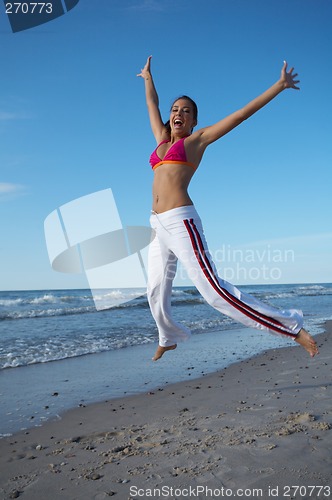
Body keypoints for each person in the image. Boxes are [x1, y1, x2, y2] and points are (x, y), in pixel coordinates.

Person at [137, 56, 318, 361]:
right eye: (175, 110)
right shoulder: (161, 141)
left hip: (182, 223)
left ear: (194, 121)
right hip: (157, 225)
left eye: (186, 111)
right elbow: (152, 105)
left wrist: (279, 85)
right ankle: (168, 336)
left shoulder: (197, 141)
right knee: (154, 291)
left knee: (214, 292)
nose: (179, 113)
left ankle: (291, 327)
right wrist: (147, 78)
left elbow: (240, 115)